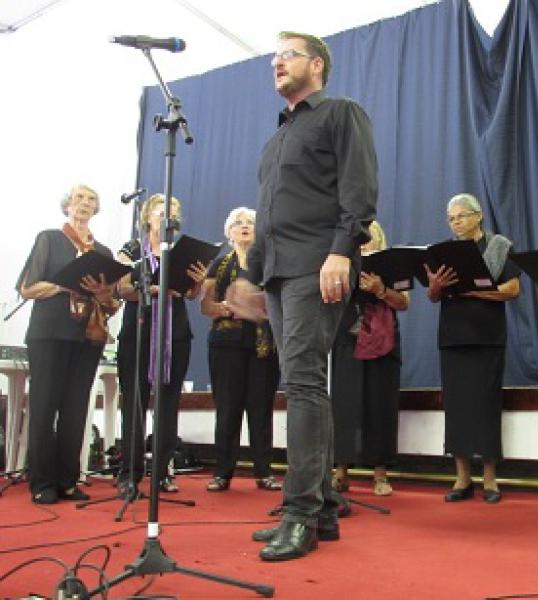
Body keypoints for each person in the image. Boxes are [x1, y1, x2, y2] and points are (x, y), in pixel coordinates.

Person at [231, 31, 378, 561]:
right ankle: (324, 509)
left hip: (317, 265)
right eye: (274, 57)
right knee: (302, 384)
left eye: (287, 55)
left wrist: (341, 252)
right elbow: (267, 215)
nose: (276, 63)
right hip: (277, 271)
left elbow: (359, 189)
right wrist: (249, 276)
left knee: (304, 385)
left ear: (316, 64)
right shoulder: (277, 138)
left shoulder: (341, 113)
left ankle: (300, 514)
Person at [16, 184, 119, 504]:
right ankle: (42, 481)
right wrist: (65, 284)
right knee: (44, 406)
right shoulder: (49, 239)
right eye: (79, 198)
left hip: (87, 337)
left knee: (76, 408)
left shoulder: (103, 252)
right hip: (49, 333)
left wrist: (103, 294)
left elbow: (112, 304)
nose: (85, 203)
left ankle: (68, 480)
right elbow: (28, 288)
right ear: (67, 205)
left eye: (91, 199)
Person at [425, 193, 521, 504]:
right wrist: (436, 287)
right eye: (451, 218)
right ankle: (462, 478)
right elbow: (433, 296)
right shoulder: (443, 253)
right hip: (453, 338)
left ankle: (490, 479)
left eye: (462, 216)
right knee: (457, 408)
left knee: (486, 406)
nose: (456, 223)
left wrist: (475, 292)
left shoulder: (499, 246)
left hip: (487, 337)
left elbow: (513, 289)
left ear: (478, 216)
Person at [115, 194, 207, 495]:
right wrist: (149, 288)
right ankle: (129, 474)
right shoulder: (132, 250)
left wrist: (198, 281)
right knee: (135, 401)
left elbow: (191, 294)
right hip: (138, 332)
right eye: (163, 210)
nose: (170, 216)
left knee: (168, 403)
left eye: (174, 212)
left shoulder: (180, 253)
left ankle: (163, 471)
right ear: (148, 216)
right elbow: (119, 289)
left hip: (175, 333)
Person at [200, 207, 281, 492]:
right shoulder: (219, 265)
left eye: (250, 222)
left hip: (263, 345)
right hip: (226, 345)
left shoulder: (270, 262)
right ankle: (222, 472)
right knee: (227, 409)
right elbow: (206, 306)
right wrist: (226, 308)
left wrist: (257, 306)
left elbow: (280, 301)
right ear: (229, 232)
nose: (245, 226)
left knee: (261, 409)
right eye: (238, 222)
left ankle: (264, 471)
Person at [331, 221, 408, 497]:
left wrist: (380, 290)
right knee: (344, 406)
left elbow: (404, 302)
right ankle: (340, 471)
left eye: (370, 235)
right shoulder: (340, 263)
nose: (364, 241)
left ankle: (380, 474)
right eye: (360, 238)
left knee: (380, 405)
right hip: (346, 340)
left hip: (383, 342)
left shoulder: (393, 264)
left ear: (379, 238)